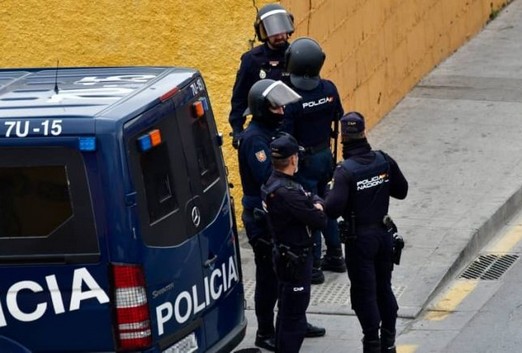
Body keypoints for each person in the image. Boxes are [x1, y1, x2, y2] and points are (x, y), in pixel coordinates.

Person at [324, 112, 409, 353]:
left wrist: (328, 194)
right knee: (384, 287)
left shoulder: (345, 171)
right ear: (364, 132)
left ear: (343, 138)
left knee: (364, 292)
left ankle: (372, 342)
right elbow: (401, 191)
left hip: (359, 240)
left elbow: (332, 209)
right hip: (384, 235)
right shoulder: (383, 160)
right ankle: (389, 342)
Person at [238, 78, 301, 351]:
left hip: (275, 213)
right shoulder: (254, 139)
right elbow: (268, 178)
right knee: (268, 277)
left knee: (285, 273)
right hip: (260, 217)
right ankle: (265, 331)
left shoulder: (272, 133)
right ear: (262, 109)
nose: (282, 112)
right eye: (275, 108)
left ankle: (291, 322)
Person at [282, 36, 346, 284]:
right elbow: (338, 115)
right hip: (324, 157)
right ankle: (336, 255)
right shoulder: (329, 89)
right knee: (327, 206)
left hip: (304, 160)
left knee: (310, 210)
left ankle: (315, 266)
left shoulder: (290, 98)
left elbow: (285, 134)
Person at [261, 133, 328, 353]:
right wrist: (316, 205)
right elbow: (319, 218)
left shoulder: (276, 183)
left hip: (286, 256)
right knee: (293, 320)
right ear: (292, 160)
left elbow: (311, 197)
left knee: (286, 313)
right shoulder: (288, 193)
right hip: (295, 261)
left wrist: (314, 202)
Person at [229, 3, 294, 149]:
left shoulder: (296, 54)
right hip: (264, 126)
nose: (279, 36)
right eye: (273, 32)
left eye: (282, 30)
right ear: (263, 32)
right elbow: (239, 97)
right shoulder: (251, 60)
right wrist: (238, 129)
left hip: (292, 124)